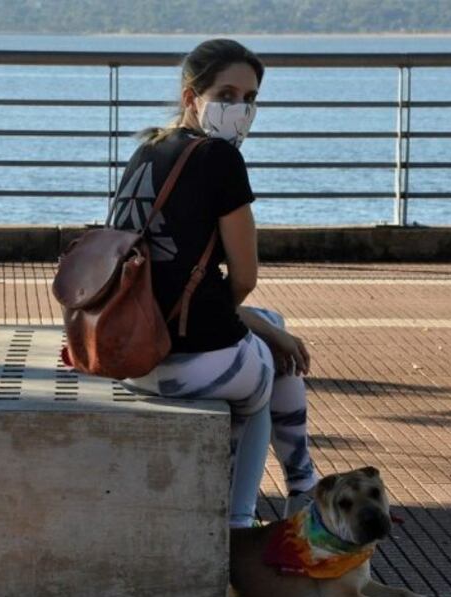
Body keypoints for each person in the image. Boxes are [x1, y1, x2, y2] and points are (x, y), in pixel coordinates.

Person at [110, 38, 319, 528]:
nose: (239, 109)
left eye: (249, 99)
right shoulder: (221, 160)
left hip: (129, 351)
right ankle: (251, 515)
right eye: (226, 95)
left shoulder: (147, 150)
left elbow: (171, 278)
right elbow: (244, 277)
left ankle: (296, 492)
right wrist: (261, 331)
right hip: (184, 363)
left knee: (270, 326)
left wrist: (262, 326)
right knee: (269, 368)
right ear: (191, 97)